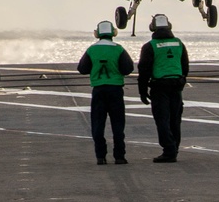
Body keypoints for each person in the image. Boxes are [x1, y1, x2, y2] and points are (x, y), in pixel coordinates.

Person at [78, 20, 134, 164]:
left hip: (98, 90)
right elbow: (128, 69)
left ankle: (100, 156)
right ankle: (120, 156)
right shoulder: (119, 49)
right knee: (118, 125)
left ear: (97, 34)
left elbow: (82, 68)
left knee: (97, 125)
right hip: (115, 90)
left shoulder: (92, 49)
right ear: (113, 33)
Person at [138, 14, 189, 162]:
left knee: (162, 119)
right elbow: (185, 66)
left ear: (152, 28)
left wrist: (142, 91)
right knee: (175, 119)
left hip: (159, 86)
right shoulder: (179, 43)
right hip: (176, 85)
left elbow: (144, 70)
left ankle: (169, 150)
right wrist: (181, 80)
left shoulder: (150, 46)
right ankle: (174, 148)